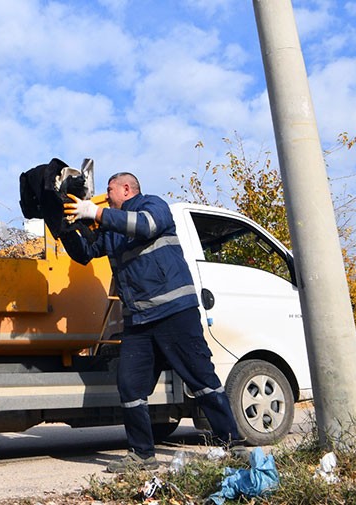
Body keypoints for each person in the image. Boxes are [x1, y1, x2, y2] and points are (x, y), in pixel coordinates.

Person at [62, 172, 245, 473]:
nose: (106, 197)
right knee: (130, 387)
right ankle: (142, 454)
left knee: (201, 380)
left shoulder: (154, 206)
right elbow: (85, 253)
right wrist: (66, 227)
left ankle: (234, 444)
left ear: (126, 188)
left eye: (109, 190)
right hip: (139, 321)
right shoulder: (112, 227)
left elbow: (145, 226)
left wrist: (95, 213)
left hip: (174, 313)